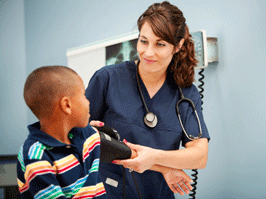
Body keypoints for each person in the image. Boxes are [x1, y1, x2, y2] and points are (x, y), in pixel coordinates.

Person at [86, 1, 210, 198]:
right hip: (107, 192)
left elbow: (200, 156)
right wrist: (164, 167)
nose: (148, 52)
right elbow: (80, 138)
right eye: (143, 41)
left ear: (177, 46)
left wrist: (154, 158)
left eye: (160, 44)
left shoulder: (186, 94)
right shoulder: (107, 79)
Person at [17, 66, 113, 198]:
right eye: (84, 95)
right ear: (67, 105)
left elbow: (128, 153)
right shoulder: (36, 158)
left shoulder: (88, 135)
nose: (88, 101)